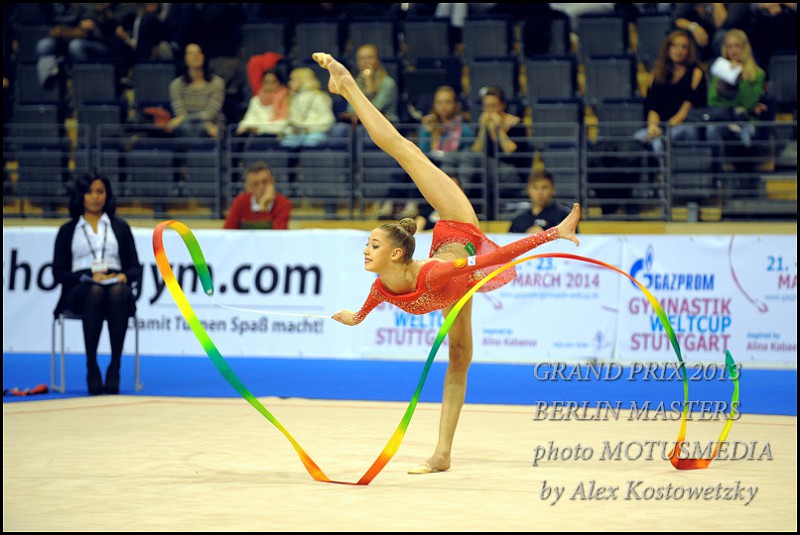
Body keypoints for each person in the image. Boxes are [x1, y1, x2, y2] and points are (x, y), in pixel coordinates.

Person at [313, 52, 580, 475]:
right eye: (368, 244)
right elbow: (363, 311)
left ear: (396, 254)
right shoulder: (382, 287)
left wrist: (552, 234)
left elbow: (495, 257)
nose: (365, 250)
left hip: (458, 226)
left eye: (373, 244)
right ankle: (443, 454)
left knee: (405, 150)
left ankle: (347, 84)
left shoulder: (433, 271)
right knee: (459, 357)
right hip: (455, 286)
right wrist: (352, 317)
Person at [52, 172, 143, 395]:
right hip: (79, 288)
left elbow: (134, 267)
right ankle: (91, 365)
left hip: (115, 284)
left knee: (118, 292)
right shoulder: (68, 230)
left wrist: (124, 276)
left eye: (100, 192)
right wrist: (87, 278)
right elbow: (58, 272)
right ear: (80, 196)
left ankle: (115, 365)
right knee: (94, 291)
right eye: (90, 192)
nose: (95, 197)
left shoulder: (120, 227)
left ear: (107, 195)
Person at [634, 30, 707, 154]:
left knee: (658, 143)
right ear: (667, 48)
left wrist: (664, 128)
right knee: (637, 138)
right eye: (675, 45)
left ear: (689, 51)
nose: (679, 50)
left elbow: (686, 108)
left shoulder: (696, 72)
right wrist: (653, 127)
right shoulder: (657, 73)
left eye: (684, 47)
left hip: (684, 124)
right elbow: (653, 107)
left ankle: (663, 168)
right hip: (661, 126)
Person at [470, 85, 532, 219]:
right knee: (472, 162)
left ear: (503, 105)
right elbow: (476, 151)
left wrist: (499, 130)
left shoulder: (516, 123)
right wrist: (482, 130)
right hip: (489, 171)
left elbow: (511, 153)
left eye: (493, 106)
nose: (489, 111)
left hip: (512, 172)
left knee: (476, 163)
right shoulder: (484, 124)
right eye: (486, 106)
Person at [706, 29, 768, 148]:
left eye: (737, 46)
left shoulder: (758, 74)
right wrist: (733, 111)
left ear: (745, 48)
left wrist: (741, 75)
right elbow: (712, 101)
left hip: (746, 120)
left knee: (747, 133)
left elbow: (748, 103)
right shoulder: (720, 71)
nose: (733, 51)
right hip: (724, 119)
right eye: (729, 47)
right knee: (712, 130)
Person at [166, 42, 226, 139]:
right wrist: (184, 119)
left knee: (206, 129)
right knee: (184, 128)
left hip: (211, 124)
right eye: (191, 53)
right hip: (186, 126)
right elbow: (180, 112)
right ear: (185, 58)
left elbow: (210, 114)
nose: (196, 55)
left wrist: (184, 118)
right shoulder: (176, 85)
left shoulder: (217, 83)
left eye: (199, 52)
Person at [339, 44, 399, 125]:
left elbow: (375, 109)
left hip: (385, 123)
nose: (366, 62)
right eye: (362, 58)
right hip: (360, 122)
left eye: (370, 57)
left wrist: (369, 84)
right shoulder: (356, 83)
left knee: (365, 130)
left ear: (378, 60)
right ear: (357, 62)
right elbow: (351, 110)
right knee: (340, 128)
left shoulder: (388, 83)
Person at [223, 161, 292, 230]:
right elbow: (227, 231)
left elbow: (278, 234)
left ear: (272, 181)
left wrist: (264, 206)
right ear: (248, 187)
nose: (261, 187)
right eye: (255, 184)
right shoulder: (240, 201)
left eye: (265, 182)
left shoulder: (283, 203)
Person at [280, 66, 336, 148]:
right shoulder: (294, 98)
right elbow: (293, 121)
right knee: (287, 142)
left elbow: (327, 121)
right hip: (299, 134)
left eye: (293, 80)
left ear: (303, 80)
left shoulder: (320, 97)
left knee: (310, 142)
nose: (289, 83)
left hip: (316, 132)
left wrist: (307, 128)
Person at [508, 171, 573, 233]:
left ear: (553, 190)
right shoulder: (519, 220)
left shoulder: (565, 217)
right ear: (528, 190)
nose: (539, 192)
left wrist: (543, 237)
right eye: (535, 188)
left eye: (544, 188)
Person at [236, 69, 290, 137]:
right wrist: (246, 127)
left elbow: (284, 123)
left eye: (273, 81)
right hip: (258, 137)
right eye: (267, 82)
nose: (270, 85)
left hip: (278, 137)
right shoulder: (256, 100)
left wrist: (260, 129)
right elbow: (249, 119)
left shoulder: (286, 99)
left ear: (279, 83)